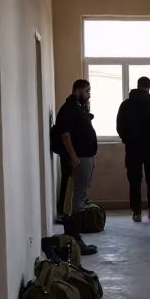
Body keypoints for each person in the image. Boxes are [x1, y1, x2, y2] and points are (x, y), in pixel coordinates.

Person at [53, 79, 98, 253]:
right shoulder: (70, 108)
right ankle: (74, 240)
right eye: (87, 91)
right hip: (79, 159)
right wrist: (73, 157)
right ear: (78, 91)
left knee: (79, 197)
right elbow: (65, 134)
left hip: (84, 158)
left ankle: (74, 239)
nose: (89, 94)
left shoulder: (78, 108)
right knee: (76, 199)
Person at [116, 76, 150, 222]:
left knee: (134, 181)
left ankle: (136, 212)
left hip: (133, 148)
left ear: (137, 86)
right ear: (149, 87)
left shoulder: (126, 105)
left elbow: (120, 126)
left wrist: (128, 140)